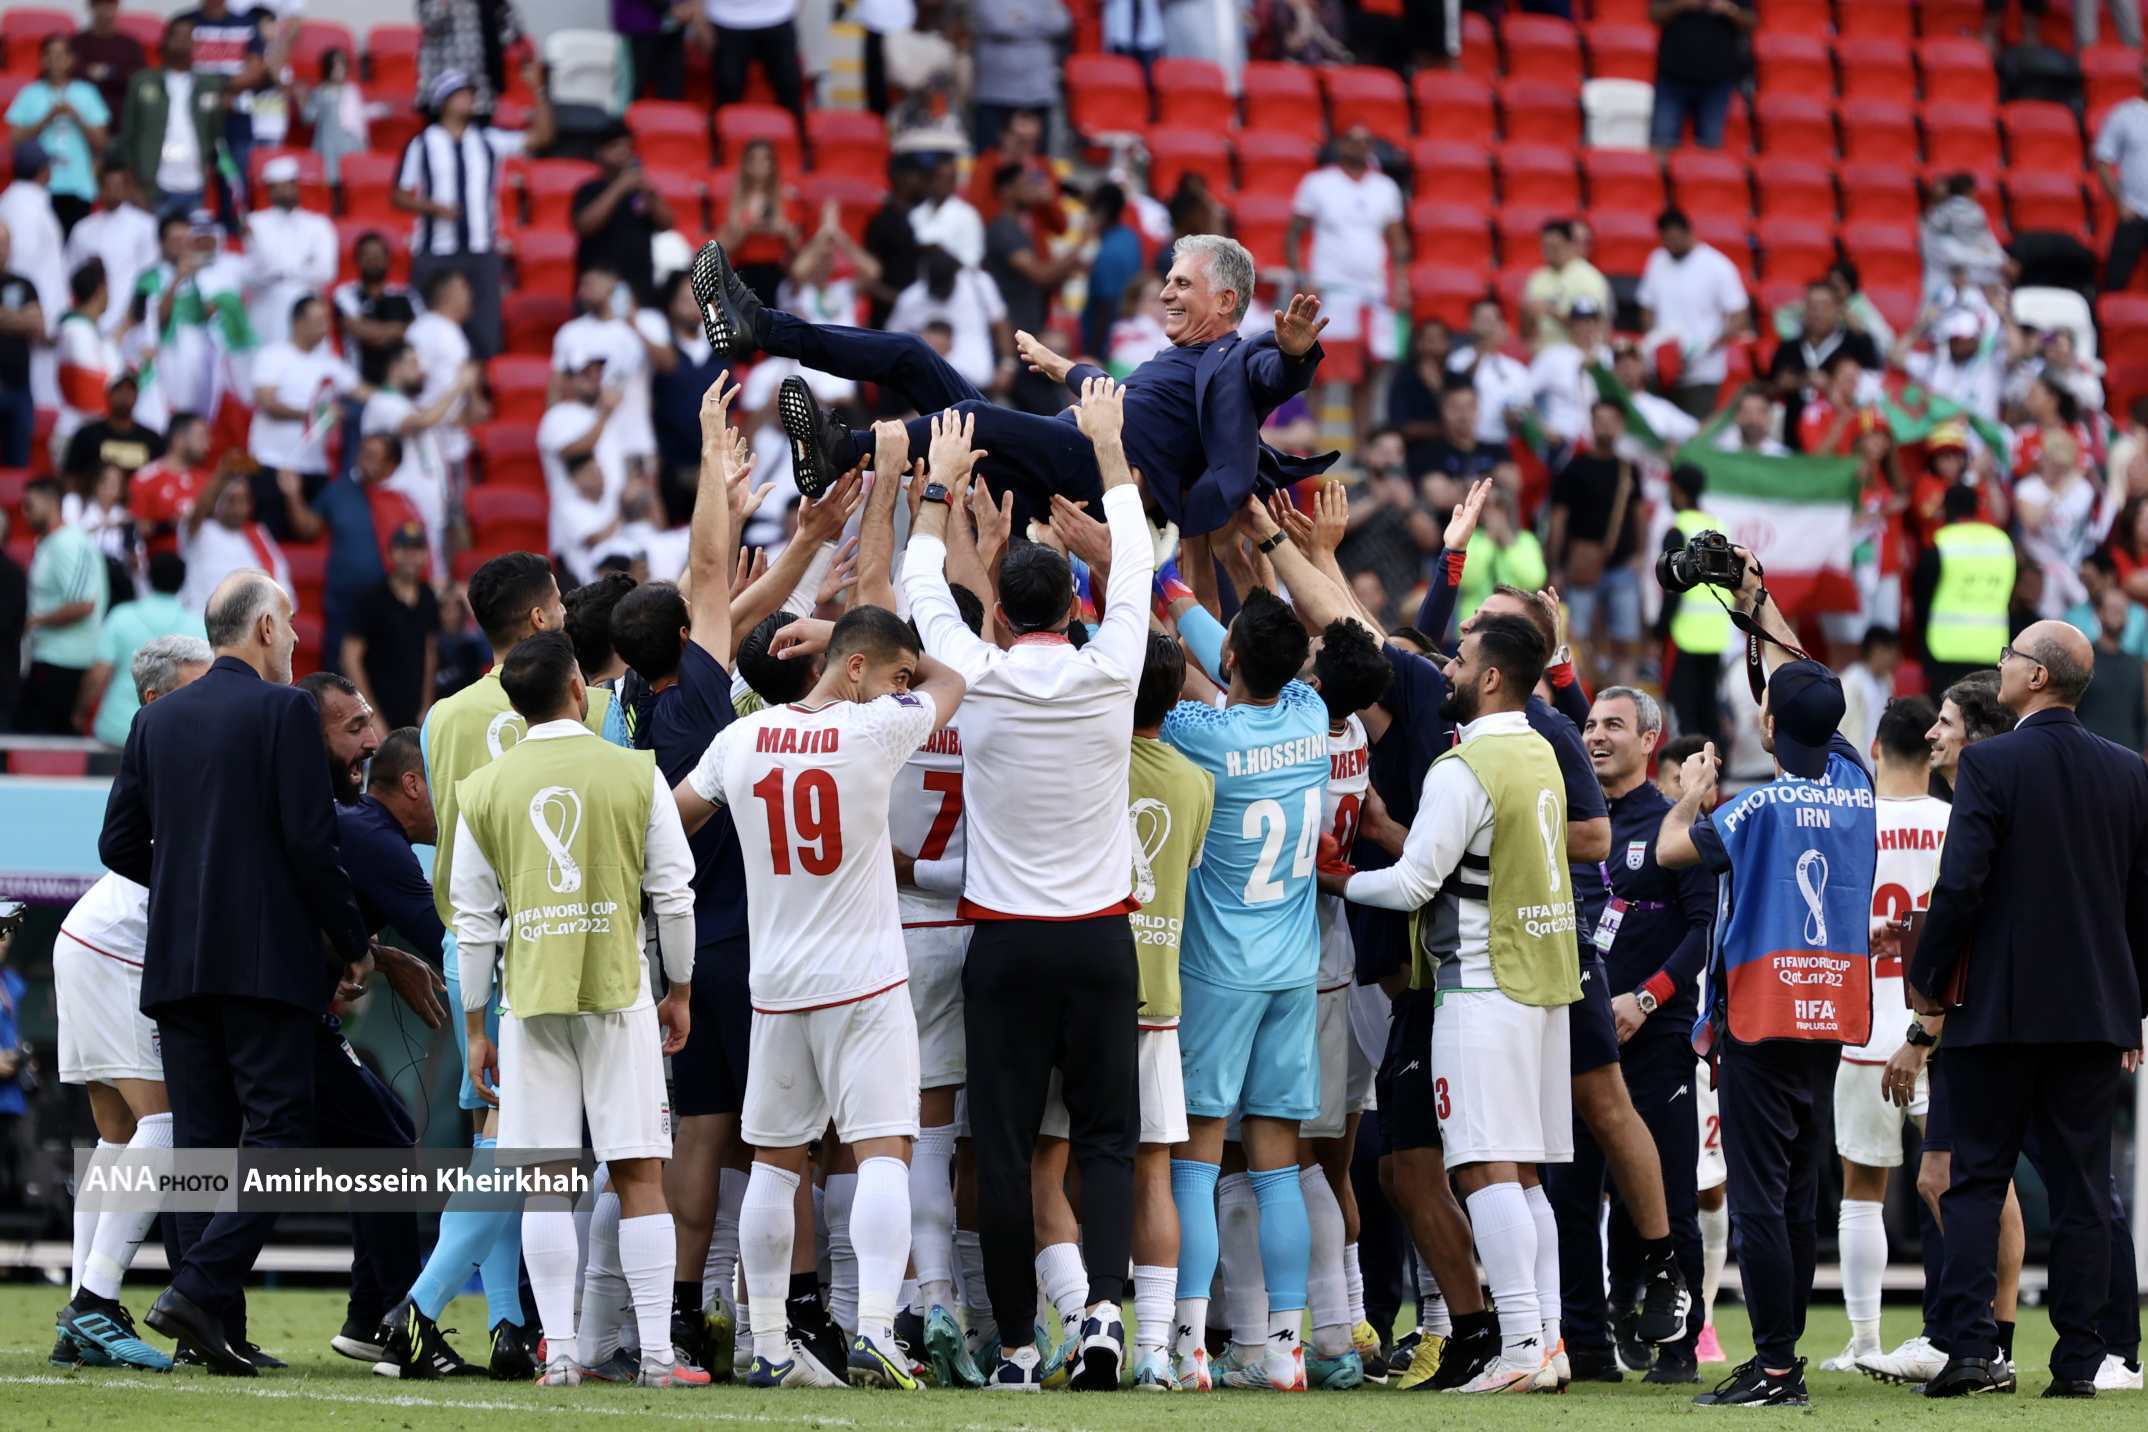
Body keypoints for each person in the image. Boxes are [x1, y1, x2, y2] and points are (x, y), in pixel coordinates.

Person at [898, 387, 1154, 1390]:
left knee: (1000, 1151)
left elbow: (920, 583)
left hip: (1003, 944)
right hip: (1099, 941)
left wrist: (936, 488)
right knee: (1107, 1143)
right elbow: (1137, 561)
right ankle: (1103, 1316)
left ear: (1001, 613)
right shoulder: (1113, 667)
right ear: (1076, 608)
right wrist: (1109, 448)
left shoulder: (977, 672)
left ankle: (1012, 1345)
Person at [677, 601, 965, 1390]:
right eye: (893, 676)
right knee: (883, 1151)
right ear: (857, 668)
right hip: (865, 982)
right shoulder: (875, 730)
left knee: (774, 1166)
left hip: (775, 983)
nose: (903, 690)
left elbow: (672, 821)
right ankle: (874, 1331)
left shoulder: (740, 739)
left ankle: (770, 1345)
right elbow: (953, 679)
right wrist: (840, 632)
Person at [96, 570, 372, 1376]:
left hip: (178, 962)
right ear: (263, 629)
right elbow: (311, 843)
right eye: (288, 622)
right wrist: (352, 940)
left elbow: (118, 844)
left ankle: (211, 1327)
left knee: (201, 1148)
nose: (296, 637)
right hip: (263, 961)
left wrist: (190, 882)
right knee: (282, 1139)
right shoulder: (284, 711)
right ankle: (196, 1291)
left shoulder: (155, 720)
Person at [1329, 614, 1581, 1394]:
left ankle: (1519, 1347)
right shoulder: (1539, 751)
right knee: (1524, 1172)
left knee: (1481, 1164)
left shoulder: (1463, 766)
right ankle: (1547, 1342)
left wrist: (1336, 879)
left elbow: (1412, 884)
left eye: (1461, 660)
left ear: (1492, 677)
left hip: (1480, 980)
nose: (1448, 669)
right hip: (1545, 980)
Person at [371, 551, 606, 1380]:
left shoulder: (441, 718)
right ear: (540, 619)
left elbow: (449, 835)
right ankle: (416, 1310)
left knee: (496, 1138)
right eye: (559, 605)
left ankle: (506, 1322)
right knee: (519, 1142)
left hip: (470, 936)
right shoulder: (585, 703)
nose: (567, 615)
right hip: (551, 936)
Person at [696, 233, 1333, 535]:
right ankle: (760, 327)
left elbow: (1273, 377)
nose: (1166, 291)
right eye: (1167, 279)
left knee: (982, 417)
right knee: (914, 355)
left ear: (1226, 301)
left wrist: (1296, 354)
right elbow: (1111, 399)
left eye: (1182, 283)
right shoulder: (1173, 358)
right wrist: (1067, 371)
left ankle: (843, 451)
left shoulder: (1238, 359)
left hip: (1091, 478)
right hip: (1054, 447)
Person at [450, 630, 702, 1388]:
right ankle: (657, 1356)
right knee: (639, 1174)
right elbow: (674, 896)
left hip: (529, 1002)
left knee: (547, 1182)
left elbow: (473, 923)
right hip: (619, 994)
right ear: (576, 691)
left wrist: (475, 1027)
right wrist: (680, 989)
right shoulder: (636, 773)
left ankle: (558, 1353)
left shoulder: (482, 788)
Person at [1656, 551, 1878, 1409]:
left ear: (1771, 727)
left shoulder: (1753, 808)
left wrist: (1691, 791)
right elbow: (1810, 684)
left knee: (1758, 1199)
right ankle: (1781, 1360)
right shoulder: (1857, 785)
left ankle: (1777, 1368)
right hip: (1829, 1015)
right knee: (1793, 1194)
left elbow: (1671, 850)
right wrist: (1756, 599)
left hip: (1758, 1013)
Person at [1908, 622, 2148, 1397]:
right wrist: (2131, 1008)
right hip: (2093, 1015)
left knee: (1977, 1180)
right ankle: (2078, 1363)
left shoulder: (1991, 764)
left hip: (1997, 1012)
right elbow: (2141, 907)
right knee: (2083, 1191)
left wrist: (1928, 978)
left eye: (2010, 656)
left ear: (2037, 677)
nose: (2001, 664)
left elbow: (1961, 884)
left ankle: (1973, 1352)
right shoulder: (2130, 771)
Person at [1155, 584, 1331, 1395]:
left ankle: (1190, 1347)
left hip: (1219, 972)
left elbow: (1183, 672)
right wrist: (1187, 597)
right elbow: (1234, 655)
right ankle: (1286, 1349)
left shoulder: (1205, 735)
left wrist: (1164, 587)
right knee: (1277, 1168)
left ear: (1230, 655)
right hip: (1294, 973)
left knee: (1194, 1163)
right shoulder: (1310, 717)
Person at [49, 634, 210, 1372]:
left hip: (90, 934)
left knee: (116, 1137)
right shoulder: (176, 753)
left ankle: (80, 1319)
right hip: (116, 944)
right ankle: (96, 1299)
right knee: (164, 1123)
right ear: (154, 701)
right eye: (198, 687)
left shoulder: (170, 753)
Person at [1811, 696, 1951, 1375]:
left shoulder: (1850, 821)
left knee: (1862, 1189)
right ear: (1934, 749)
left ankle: (1865, 1343)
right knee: (1957, 1183)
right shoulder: (1956, 822)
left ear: (1874, 749)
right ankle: (1967, 1330)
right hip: (1941, 1027)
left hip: (1864, 1026)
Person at [1583, 686, 1715, 1385]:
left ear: (1648, 740)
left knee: (1670, 1187)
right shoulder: (1572, 823)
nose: (1597, 736)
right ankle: (1592, 1330)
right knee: (1577, 1190)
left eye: (1614, 725)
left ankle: (1682, 1347)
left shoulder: (1673, 823)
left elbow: (1704, 930)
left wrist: (1646, 997)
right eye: (1590, 724)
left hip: (1656, 1034)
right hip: (1579, 1032)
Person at [394, 68, 553, 359]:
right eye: (461, 94)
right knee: (427, 334)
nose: (469, 99)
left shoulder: (488, 140)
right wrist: (433, 208)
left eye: (470, 94)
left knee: (485, 336)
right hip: (434, 251)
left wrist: (538, 92)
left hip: (481, 251)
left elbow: (541, 137)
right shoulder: (422, 143)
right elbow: (399, 196)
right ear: (444, 101)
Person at [1285, 125, 1408, 416]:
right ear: (1341, 145)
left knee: (1366, 372)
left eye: (1366, 141)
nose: (1359, 146)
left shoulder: (1385, 188)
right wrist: (1302, 277)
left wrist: (1401, 284)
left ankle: (1361, 441)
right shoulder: (1318, 183)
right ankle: (1309, 437)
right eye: (1352, 140)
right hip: (1328, 290)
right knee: (1316, 366)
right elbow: (1294, 234)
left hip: (1371, 293)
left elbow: (1397, 242)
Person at [248, 293, 371, 530]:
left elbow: (363, 392)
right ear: (297, 322)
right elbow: (267, 403)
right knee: (269, 533)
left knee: (311, 534)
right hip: (272, 462)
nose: (324, 326)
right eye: (317, 320)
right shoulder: (273, 355)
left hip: (315, 467)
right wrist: (316, 413)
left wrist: (395, 396)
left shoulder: (331, 364)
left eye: (326, 320)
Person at [1548, 401, 1643, 690]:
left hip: (1622, 567)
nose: (1606, 426)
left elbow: (1638, 515)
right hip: (1581, 568)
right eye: (1600, 420)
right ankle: (1582, 701)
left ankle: (1625, 702)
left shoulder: (1629, 469)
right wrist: (1555, 566)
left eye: (1612, 420)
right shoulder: (1574, 468)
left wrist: (1640, 554)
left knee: (1625, 642)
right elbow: (1558, 520)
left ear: (1621, 425)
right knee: (1576, 641)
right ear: (1591, 423)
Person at [79, 551, 204, 747]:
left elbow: (97, 676)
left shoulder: (121, 616)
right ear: (182, 581)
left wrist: (80, 713)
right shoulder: (198, 626)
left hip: (117, 729)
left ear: (148, 576)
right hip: (173, 734)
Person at [1638, 209, 1749, 418]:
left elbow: (1739, 315)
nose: (1670, 245)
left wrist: (1709, 346)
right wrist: (1656, 342)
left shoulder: (1717, 265)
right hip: (1662, 368)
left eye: (1674, 239)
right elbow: (1647, 306)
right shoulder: (1657, 260)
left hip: (1702, 371)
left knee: (1696, 428)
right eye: (1665, 240)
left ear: (1688, 232)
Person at [20, 476, 110, 734]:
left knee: (45, 739)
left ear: (51, 502)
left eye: (29, 505)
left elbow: (83, 604)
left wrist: (33, 621)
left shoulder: (69, 543)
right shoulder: (51, 542)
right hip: (49, 656)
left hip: (66, 662)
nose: (25, 513)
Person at [1915, 482, 2018, 695]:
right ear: (1977, 507)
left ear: (1946, 509)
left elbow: (1922, 596)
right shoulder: (2002, 543)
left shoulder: (1942, 542)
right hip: (1992, 648)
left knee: (1947, 710)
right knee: (1986, 711)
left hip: (1945, 649)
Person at [6, 35, 113, 233]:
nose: (56, 60)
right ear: (42, 60)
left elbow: (102, 143)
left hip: (78, 185)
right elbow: (14, 141)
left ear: (71, 59)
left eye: (61, 54)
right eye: (50, 54)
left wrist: (77, 118)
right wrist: (46, 119)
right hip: (39, 186)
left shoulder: (87, 93)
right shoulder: (30, 93)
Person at [1659, 464, 1730, 748]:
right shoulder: (1719, 528)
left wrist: (1659, 631)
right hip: (1715, 636)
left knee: (1684, 715)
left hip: (1684, 636)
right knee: (1709, 713)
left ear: (1677, 491)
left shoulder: (1678, 530)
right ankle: (1717, 768)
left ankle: (1688, 767)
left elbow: (1672, 589)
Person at [343, 523, 440, 732]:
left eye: (417, 549)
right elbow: (350, 657)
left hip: (415, 714)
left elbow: (430, 651)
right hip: (380, 711)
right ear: (392, 553)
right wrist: (370, 714)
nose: (411, 556)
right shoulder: (371, 599)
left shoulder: (428, 597)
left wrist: (426, 705)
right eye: (404, 549)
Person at [114, 20, 217, 211]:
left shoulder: (208, 86)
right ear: (165, 41)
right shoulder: (143, 81)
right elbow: (128, 133)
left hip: (195, 184)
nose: (182, 41)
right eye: (176, 35)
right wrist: (132, 184)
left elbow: (214, 133)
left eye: (187, 36)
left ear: (196, 43)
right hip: (153, 186)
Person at [572, 121, 673, 309]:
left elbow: (667, 224)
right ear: (600, 152)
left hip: (639, 286)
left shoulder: (641, 190)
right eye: (615, 146)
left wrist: (651, 195)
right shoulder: (590, 189)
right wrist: (620, 187)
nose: (623, 152)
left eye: (628, 146)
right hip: (599, 286)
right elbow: (585, 225)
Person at [241, 154, 338, 348]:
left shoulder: (319, 224)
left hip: (306, 303)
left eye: (289, 185)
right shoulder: (254, 223)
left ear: (296, 186)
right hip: (267, 304)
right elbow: (251, 273)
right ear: (269, 190)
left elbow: (326, 272)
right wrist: (302, 267)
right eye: (277, 187)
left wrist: (282, 272)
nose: (284, 191)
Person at [65, 161, 157, 337]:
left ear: (127, 188)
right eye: (109, 185)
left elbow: (149, 279)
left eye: (119, 185)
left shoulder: (144, 226)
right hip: (92, 321)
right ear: (100, 187)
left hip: (131, 323)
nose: (114, 190)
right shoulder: (83, 229)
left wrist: (143, 326)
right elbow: (71, 274)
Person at [1649, 0, 1754, 154]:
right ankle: (1660, 171)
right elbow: (1654, 14)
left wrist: (1730, 11)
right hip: (1672, 77)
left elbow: (1751, 23)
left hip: (1717, 81)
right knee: (1662, 141)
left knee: (1710, 147)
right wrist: (1682, 4)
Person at [334, 233, 423, 388]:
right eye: (367, 255)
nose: (373, 260)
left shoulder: (407, 294)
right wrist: (400, 330)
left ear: (388, 259)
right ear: (357, 260)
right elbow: (360, 330)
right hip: (359, 386)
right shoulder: (345, 293)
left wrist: (376, 331)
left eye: (378, 254)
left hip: (402, 388)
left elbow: (420, 332)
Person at [695, 0, 806, 122]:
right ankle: (721, 132)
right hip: (726, 18)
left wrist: (793, 9)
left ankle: (797, 131)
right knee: (728, 87)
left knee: (788, 86)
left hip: (778, 15)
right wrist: (700, 23)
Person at [2096, 58, 2148, 293]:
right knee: (2115, 283)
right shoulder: (2124, 114)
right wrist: (2120, 203)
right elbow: (2103, 159)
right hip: (2134, 212)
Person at [61, 369, 163, 487]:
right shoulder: (87, 435)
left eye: (130, 391)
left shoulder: (152, 439)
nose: (124, 395)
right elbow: (71, 476)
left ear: (136, 396)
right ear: (108, 394)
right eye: (119, 390)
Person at [2076, 585, 2148, 750]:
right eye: (2113, 608)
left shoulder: (2134, 665)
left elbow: (2141, 716)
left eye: (2122, 610)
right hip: (2089, 751)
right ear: (2099, 613)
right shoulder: (2082, 660)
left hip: (2127, 754)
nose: (2118, 614)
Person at [1523, 220, 1613, 349]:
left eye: (1554, 247)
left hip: (1578, 351)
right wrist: (1527, 316)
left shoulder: (1589, 278)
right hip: (1544, 351)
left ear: (1570, 245)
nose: (1548, 252)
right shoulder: (1536, 279)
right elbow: (1525, 334)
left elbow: (1593, 327)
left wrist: (1551, 311)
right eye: (1545, 247)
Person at [74, 0, 149, 119]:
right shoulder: (76, 43)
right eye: (101, 5)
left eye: (111, 5)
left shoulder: (131, 44)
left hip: (122, 109)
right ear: (91, 7)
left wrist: (109, 72)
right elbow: (71, 74)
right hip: (82, 111)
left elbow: (140, 77)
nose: (106, 11)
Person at [1837, 626, 1900, 760]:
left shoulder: (1886, 682)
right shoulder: (1851, 682)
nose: (1896, 658)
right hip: (1854, 759)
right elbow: (1841, 726)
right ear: (1877, 650)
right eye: (1892, 652)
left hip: (1876, 761)